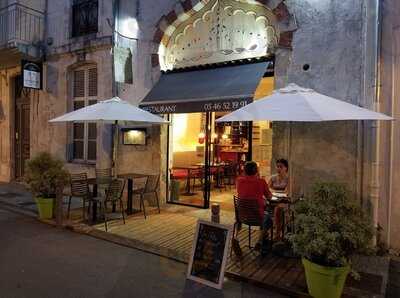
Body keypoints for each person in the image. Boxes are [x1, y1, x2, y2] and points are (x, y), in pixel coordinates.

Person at [236, 161, 273, 249]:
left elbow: (244, 194)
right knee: (269, 218)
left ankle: (235, 236)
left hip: (242, 216)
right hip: (258, 217)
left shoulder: (239, 181)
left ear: (244, 170)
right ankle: (260, 240)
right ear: (256, 170)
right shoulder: (261, 181)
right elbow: (269, 197)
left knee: (262, 212)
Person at [268, 158, 289, 240]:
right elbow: (267, 189)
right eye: (277, 166)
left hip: (283, 201)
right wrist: (278, 192)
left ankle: (277, 234)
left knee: (278, 209)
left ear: (286, 168)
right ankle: (265, 233)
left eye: (281, 167)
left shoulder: (288, 179)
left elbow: (287, 192)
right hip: (272, 200)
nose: (278, 169)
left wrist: (274, 190)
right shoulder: (273, 177)